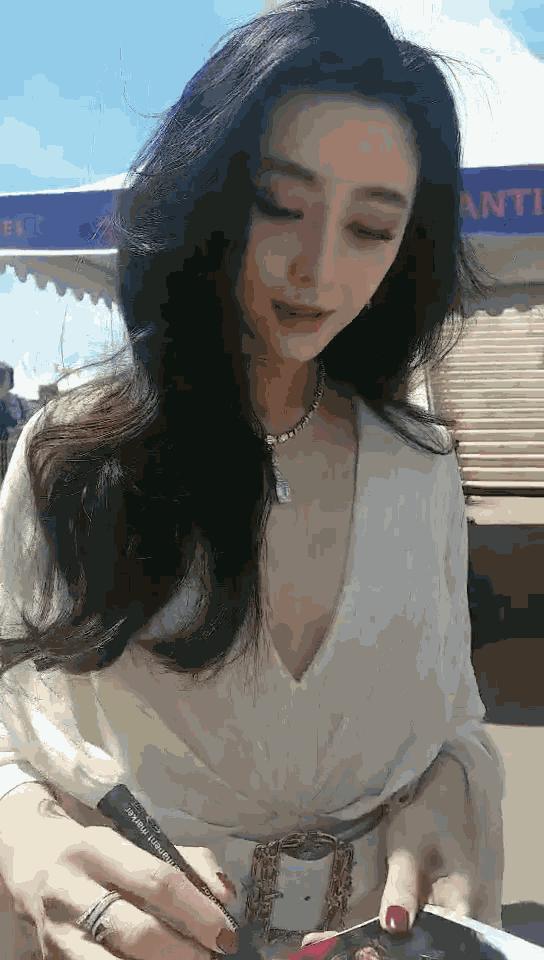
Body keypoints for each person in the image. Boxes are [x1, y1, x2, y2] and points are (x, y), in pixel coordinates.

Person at [0, 2, 504, 958]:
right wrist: (24, 838)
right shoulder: (75, 455)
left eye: (371, 226)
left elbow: (456, 720)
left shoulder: (423, 466)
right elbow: (11, 727)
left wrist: (450, 788)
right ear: (209, 193)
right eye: (279, 204)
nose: (317, 267)